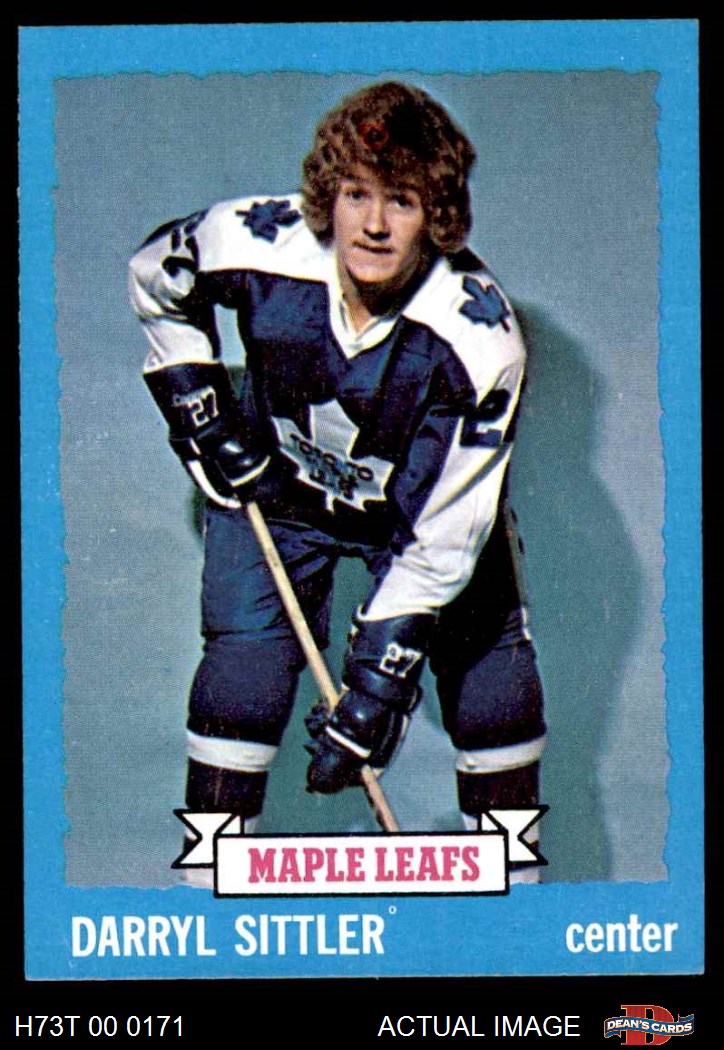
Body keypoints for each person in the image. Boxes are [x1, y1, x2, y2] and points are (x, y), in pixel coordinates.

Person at [129, 82, 547, 867]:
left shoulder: (480, 337)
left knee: (491, 671)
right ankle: (209, 875)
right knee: (242, 668)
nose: (375, 225)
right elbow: (157, 273)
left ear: (438, 215)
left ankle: (514, 889)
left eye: (403, 202)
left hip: (421, 516)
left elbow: (448, 537)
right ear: (329, 195)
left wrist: (378, 681)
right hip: (280, 491)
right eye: (357, 194)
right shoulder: (257, 239)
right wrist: (199, 406)